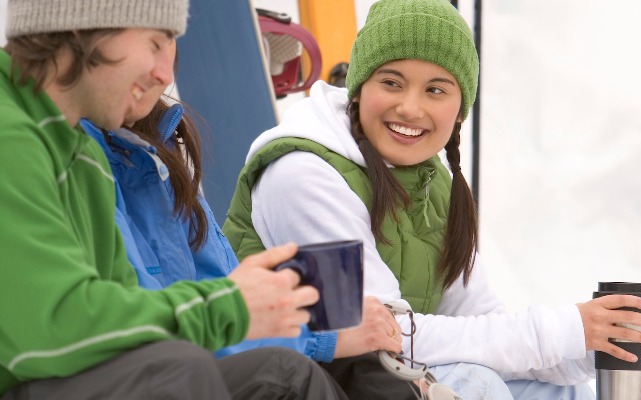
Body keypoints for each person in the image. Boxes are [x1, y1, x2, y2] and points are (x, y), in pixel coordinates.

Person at [222, 0, 641, 399]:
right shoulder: (302, 175)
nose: (411, 109)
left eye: (435, 90)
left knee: (562, 393)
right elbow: (384, 335)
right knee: (476, 385)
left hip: (381, 377)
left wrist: (592, 343)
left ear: (459, 108)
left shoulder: (434, 185)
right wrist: (564, 330)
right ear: (359, 87)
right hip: (309, 379)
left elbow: (483, 327)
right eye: (392, 82)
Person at [0, 0, 347, 398]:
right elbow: (50, 329)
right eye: (155, 42)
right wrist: (228, 306)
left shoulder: (84, 158)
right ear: (83, 27)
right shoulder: (9, 136)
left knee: (280, 374)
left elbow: (128, 321)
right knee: (175, 372)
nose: (165, 74)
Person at [78, 49, 415, 399]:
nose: (164, 73)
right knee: (288, 374)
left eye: (169, 41)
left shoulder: (153, 150)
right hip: (149, 374)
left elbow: (216, 284)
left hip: (201, 355)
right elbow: (153, 330)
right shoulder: (82, 166)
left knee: (369, 370)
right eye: (148, 43)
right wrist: (323, 337)